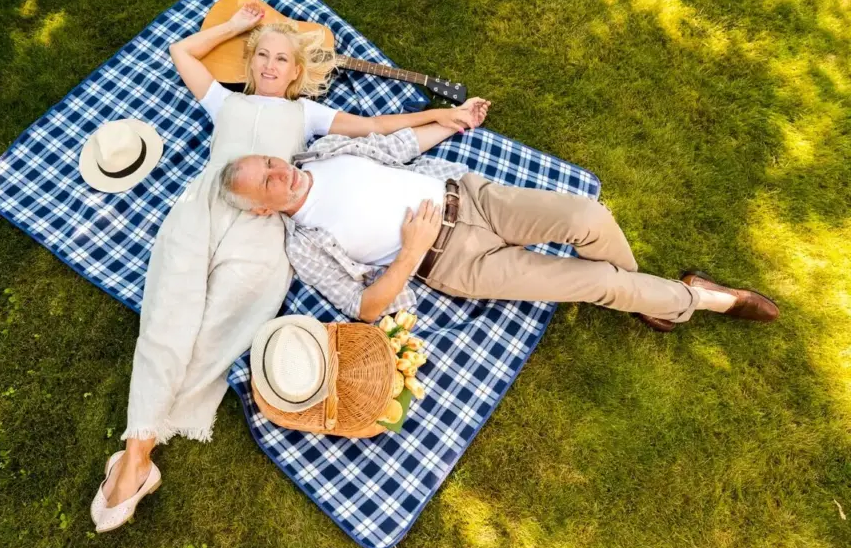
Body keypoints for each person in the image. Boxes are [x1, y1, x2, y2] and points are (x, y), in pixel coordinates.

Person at [91, 1, 491, 531]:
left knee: (222, 328)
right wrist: (236, 27)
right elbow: (181, 52)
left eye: (282, 59)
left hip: (264, 227)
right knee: (167, 314)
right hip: (203, 209)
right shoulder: (224, 102)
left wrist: (438, 117)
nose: (271, 65)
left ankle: (140, 453)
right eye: (262, 56)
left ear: (297, 71)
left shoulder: (307, 115)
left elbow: (375, 127)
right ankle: (137, 451)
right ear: (250, 62)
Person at [216, 122, 779, 330]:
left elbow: (394, 146)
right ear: (263, 210)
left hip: (473, 198)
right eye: (266, 183)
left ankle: (648, 299)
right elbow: (364, 309)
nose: (279, 172)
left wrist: (448, 120)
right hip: (456, 262)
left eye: (269, 162)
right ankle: (703, 300)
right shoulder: (303, 245)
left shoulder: (324, 150)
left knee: (589, 216)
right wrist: (410, 253)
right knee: (596, 282)